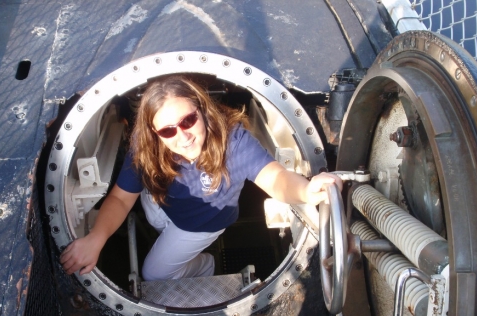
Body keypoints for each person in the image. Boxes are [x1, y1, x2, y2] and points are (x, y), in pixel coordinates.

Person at [60, 75, 342, 280]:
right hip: (163, 205)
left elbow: (276, 179)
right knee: (154, 216)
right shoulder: (145, 147)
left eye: (188, 121)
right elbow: (121, 198)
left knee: (153, 273)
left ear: (203, 111)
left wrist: (306, 191)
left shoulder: (233, 142)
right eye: (168, 131)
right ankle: (171, 243)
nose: (182, 137)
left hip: (200, 224)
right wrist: (96, 238)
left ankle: (204, 265)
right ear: (154, 133)